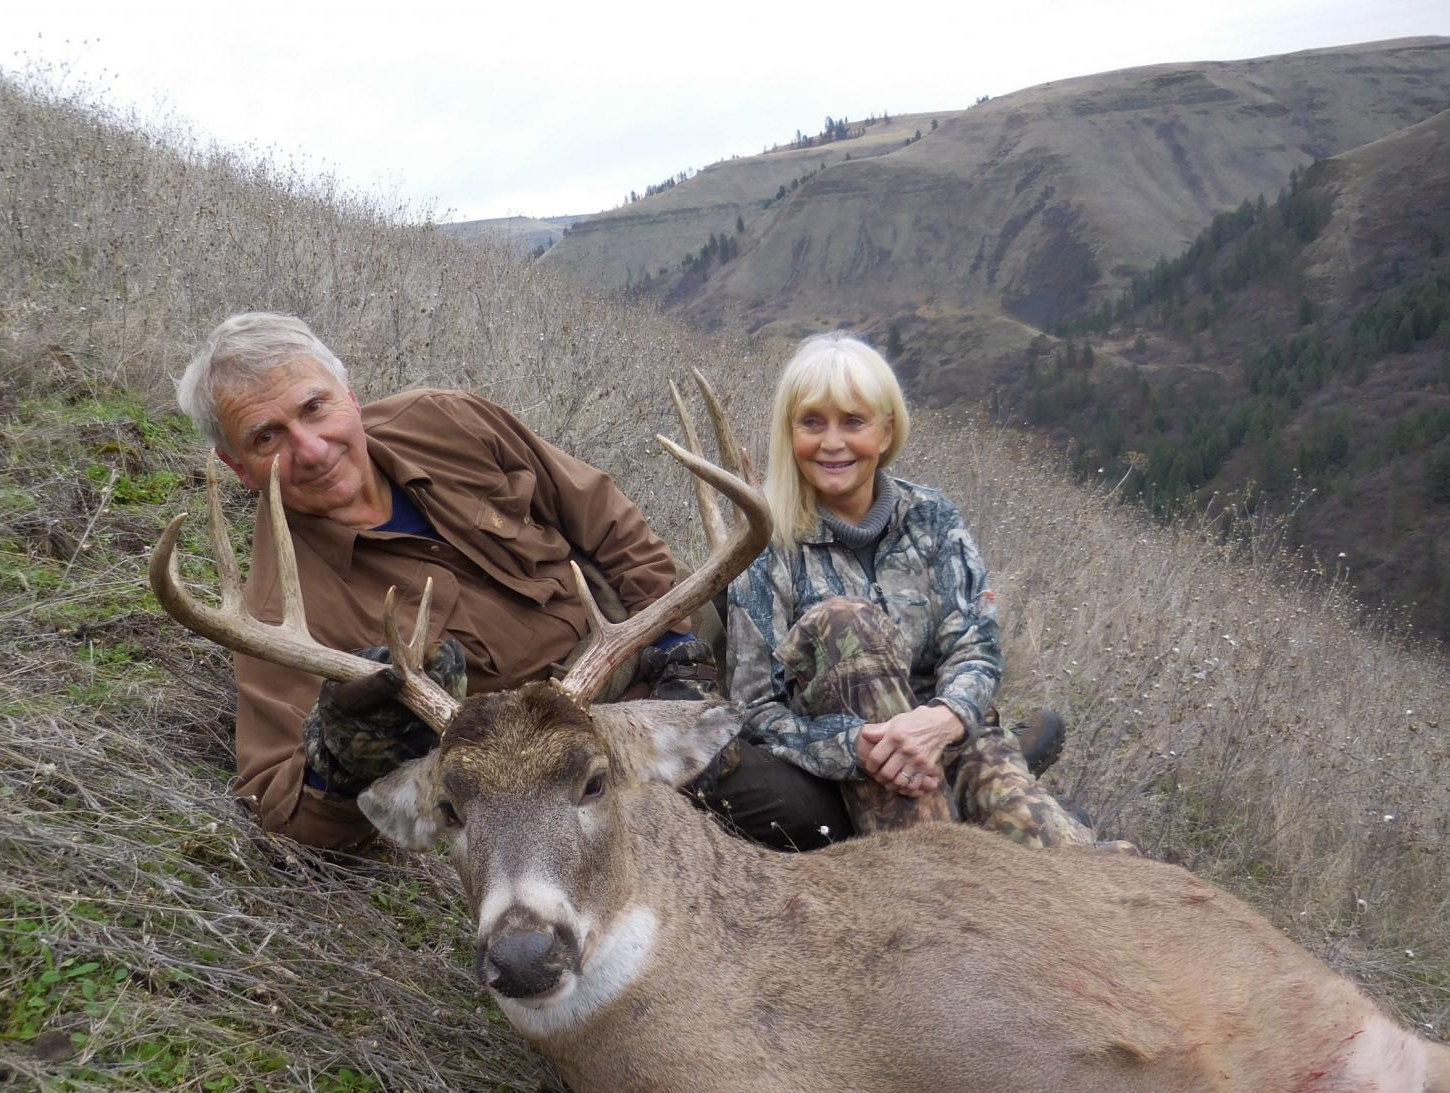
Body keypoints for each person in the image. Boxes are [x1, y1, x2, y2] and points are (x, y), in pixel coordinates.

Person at [173, 312, 847, 851]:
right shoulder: (274, 608)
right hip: (578, 739)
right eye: (268, 437)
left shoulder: (447, 421)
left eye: (315, 408)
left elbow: (606, 520)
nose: (312, 449)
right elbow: (280, 807)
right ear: (237, 467)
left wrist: (676, 648)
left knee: (847, 649)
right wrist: (342, 759)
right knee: (813, 814)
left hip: (661, 638)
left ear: (349, 397)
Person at [723, 331, 1106, 850]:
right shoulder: (765, 542)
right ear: (789, 435)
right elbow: (754, 709)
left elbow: (975, 645)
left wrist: (944, 720)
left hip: (957, 738)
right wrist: (854, 745)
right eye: (812, 423)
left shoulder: (933, 517)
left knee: (1064, 866)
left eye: (853, 422)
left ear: (885, 432)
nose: (832, 442)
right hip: (866, 769)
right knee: (950, 894)